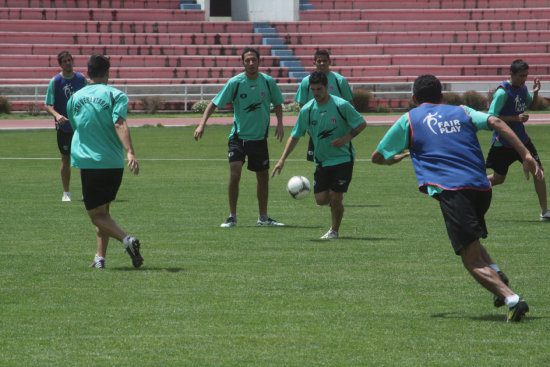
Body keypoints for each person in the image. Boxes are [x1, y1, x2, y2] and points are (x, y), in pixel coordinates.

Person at [371, 74, 542, 322]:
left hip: (453, 190)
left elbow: (377, 156)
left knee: (469, 258)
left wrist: (393, 158)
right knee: (472, 242)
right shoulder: (462, 110)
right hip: (482, 189)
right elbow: (494, 121)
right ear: (441, 96)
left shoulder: (409, 119)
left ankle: (512, 299)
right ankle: (496, 272)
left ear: (413, 98)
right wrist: (525, 154)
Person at [194, 47, 285, 228]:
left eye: (254, 60)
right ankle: (232, 217)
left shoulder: (267, 82)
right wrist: (201, 124)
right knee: (235, 173)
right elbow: (213, 103)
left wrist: (280, 123)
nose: (251, 63)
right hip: (238, 138)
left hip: (259, 139)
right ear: (242, 62)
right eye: (247, 60)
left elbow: (278, 103)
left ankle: (263, 217)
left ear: (259, 61)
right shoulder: (235, 83)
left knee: (263, 178)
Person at [67, 54, 143, 269]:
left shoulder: (75, 97)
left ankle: (128, 240)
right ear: (108, 73)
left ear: (87, 72)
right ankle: (100, 258)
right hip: (114, 164)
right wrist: (130, 153)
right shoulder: (116, 95)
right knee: (104, 213)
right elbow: (120, 124)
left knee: (96, 216)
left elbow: (77, 125)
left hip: (90, 163)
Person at [272, 70, 366, 239]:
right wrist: (282, 159)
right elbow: (295, 136)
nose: (316, 93)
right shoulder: (307, 110)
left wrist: (346, 138)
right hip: (322, 161)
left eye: (319, 89)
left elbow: (361, 124)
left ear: (327, 87)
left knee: (335, 197)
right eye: (313, 89)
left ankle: (334, 230)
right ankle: (337, 201)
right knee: (321, 200)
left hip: (343, 158)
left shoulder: (341, 105)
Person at [485, 59, 549, 220]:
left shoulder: (522, 89)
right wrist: (515, 118)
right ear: (511, 74)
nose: (524, 79)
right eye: (521, 76)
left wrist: (535, 92)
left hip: (522, 141)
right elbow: (491, 118)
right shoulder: (502, 92)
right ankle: (471, 187)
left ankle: (545, 211)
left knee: (538, 172)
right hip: (503, 142)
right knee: (499, 178)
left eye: (526, 75)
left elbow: (532, 107)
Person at [294, 49, 354, 162]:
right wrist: (307, 125)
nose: (322, 63)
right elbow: (301, 105)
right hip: (316, 127)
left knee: (339, 159)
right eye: (319, 61)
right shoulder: (306, 82)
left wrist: (347, 126)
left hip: (337, 129)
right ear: (314, 63)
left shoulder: (339, 80)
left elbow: (350, 105)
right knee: (318, 161)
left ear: (329, 62)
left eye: (324, 61)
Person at [44, 51, 88, 202]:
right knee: (65, 158)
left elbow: (88, 100)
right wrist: (57, 115)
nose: (68, 63)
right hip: (64, 128)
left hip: (80, 127)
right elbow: (48, 105)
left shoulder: (82, 79)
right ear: (60, 64)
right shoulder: (55, 81)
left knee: (84, 159)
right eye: (65, 61)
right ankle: (66, 193)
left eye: (70, 60)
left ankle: (85, 193)